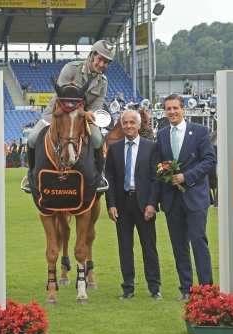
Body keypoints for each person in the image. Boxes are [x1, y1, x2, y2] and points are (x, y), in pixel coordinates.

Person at [22, 39, 115, 192]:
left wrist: (89, 114)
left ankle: (99, 177)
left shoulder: (103, 82)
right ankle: (31, 175)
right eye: (100, 59)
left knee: (98, 139)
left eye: (107, 62)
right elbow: (63, 100)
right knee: (32, 138)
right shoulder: (71, 69)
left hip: (83, 117)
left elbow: (96, 107)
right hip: (57, 113)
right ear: (92, 55)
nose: (102, 64)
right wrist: (84, 112)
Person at [156, 94, 216, 300]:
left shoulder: (199, 132)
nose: (172, 112)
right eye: (168, 109)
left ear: (184, 110)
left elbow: (209, 161)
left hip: (196, 197)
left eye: (175, 108)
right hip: (172, 200)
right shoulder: (162, 134)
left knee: (198, 241)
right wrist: (164, 173)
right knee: (179, 245)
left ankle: (207, 289)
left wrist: (185, 177)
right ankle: (186, 289)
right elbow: (159, 164)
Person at [105, 110, 161, 300]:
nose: (128, 126)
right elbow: (109, 179)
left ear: (139, 125)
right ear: (121, 125)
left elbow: (156, 179)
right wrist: (110, 204)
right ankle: (128, 288)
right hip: (121, 205)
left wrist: (152, 204)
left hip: (144, 205)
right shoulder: (114, 148)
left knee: (149, 247)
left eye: (132, 122)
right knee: (125, 248)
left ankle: (155, 288)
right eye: (125, 123)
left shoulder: (151, 147)